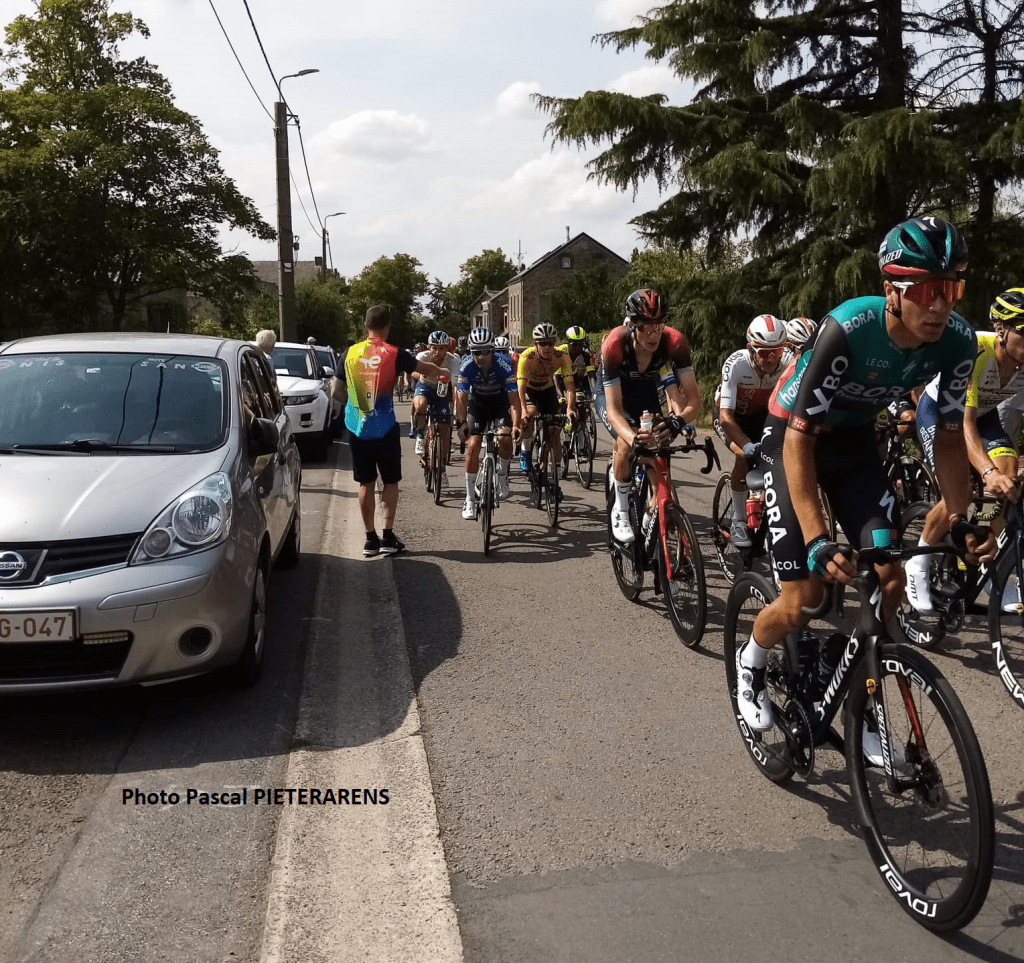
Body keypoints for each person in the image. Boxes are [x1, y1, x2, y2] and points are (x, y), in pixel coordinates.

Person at [735, 216, 994, 734]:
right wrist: (817, 539)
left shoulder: (958, 341)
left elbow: (948, 436)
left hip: (853, 441)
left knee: (889, 578)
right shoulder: (850, 327)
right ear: (891, 290)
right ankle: (752, 661)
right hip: (792, 436)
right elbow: (799, 440)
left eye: (951, 288)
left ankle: (856, 682)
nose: (940, 305)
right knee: (804, 599)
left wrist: (960, 517)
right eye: (925, 290)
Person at [906, 286, 1024, 613]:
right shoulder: (978, 351)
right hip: (941, 412)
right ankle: (917, 563)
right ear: (1001, 329)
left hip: (985, 416)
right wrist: (986, 471)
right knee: (958, 492)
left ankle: (992, 570)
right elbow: (965, 424)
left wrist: (1000, 474)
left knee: (1008, 479)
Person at [596, 289, 703, 543]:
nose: (654, 334)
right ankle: (620, 509)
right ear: (632, 325)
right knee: (626, 444)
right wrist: (633, 438)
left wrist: (677, 422)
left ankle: (653, 510)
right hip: (613, 394)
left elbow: (695, 402)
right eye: (646, 327)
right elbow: (614, 410)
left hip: (644, 390)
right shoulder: (615, 344)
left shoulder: (674, 342)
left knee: (658, 448)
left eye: (659, 326)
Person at [342, 305, 444, 557]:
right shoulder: (394, 353)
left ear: (366, 326)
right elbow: (423, 369)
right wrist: (443, 372)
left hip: (356, 427)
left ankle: (370, 540)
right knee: (390, 481)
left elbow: (335, 390)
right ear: (387, 327)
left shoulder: (349, 353)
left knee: (365, 482)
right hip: (385, 427)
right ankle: (387, 536)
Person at [713, 314, 793, 548]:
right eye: (764, 353)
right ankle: (738, 520)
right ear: (751, 349)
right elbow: (725, 418)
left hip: (762, 418)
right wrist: (746, 445)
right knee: (743, 456)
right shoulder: (736, 364)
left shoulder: (789, 361)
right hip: (732, 418)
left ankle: (768, 511)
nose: (771, 359)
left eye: (776, 351)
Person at [456, 327, 522, 519]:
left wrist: (516, 425)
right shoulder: (466, 364)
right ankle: (469, 499)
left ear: (492, 350)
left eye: (485, 351)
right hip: (477, 404)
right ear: (471, 351)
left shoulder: (503, 364)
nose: (481, 356)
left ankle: (502, 476)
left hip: (500, 403)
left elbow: (514, 400)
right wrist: (462, 423)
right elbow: (461, 398)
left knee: (505, 439)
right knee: (473, 445)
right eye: (476, 352)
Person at [517, 322, 578, 477]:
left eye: (550, 343)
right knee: (529, 416)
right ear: (535, 345)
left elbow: (569, 385)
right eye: (542, 343)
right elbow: (521, 387)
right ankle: (526, 450)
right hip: (530, 390)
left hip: (547, 390)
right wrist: (523, 411)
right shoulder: (526, 357)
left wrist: (570, 407)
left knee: (554, 432)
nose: (547, 347)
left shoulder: (562, 356)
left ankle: (554, 467)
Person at [411, 330, 460, 489]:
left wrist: (456, 407)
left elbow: (455, 386)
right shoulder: (422, 357)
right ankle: (420, 436)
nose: (438, 352)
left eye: (441, 348)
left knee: (445, 430)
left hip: (442, 390)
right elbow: (413, 372)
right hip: (425, 386)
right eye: (434, 348)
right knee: (420, 405)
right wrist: (422, 375)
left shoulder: (453, 360)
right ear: (429, 347)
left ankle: (442, 469)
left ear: (447, 348)